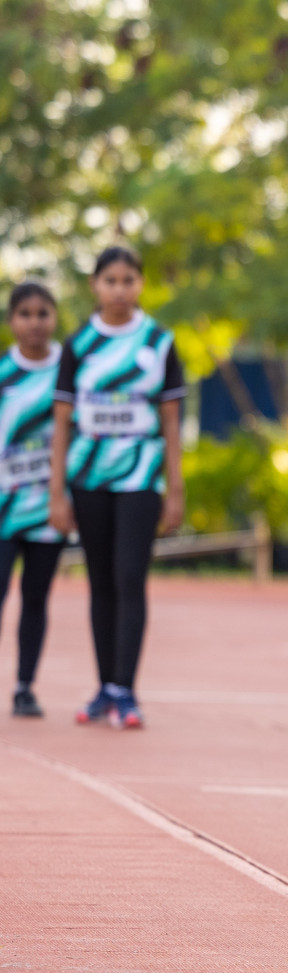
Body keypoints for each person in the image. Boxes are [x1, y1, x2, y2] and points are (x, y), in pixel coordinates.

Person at [49, 246, 186, 729]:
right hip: (88, 478)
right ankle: (105, 686)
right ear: (95, 286)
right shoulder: (78, 344)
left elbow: (171, 421)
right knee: (101, 582)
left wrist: (175, 488)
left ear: (141, 285)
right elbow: (62, 422)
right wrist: (56, 490)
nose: (120, 290)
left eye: (129, 280)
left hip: (140, 478)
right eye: (111, 281)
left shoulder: (159, 342)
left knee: (131, 577)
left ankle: (127, 690)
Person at [2, 283, 67, 717]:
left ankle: (25, 685)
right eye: (25, 313)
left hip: (49, 506)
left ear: (54, 318)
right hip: (4, 507)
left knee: (36, 597)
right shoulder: (4, 373)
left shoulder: (70, 370)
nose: (34, 322)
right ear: (11, 321)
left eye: (42, 313)